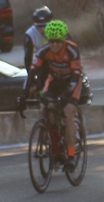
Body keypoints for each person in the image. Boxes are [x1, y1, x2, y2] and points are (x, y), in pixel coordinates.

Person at [25, 19, 89, 164]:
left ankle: (71, 154)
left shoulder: (72, 50)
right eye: (51, 41)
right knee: (47, 107)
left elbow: (76, 75)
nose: (54, 45)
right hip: (54, 81)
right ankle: (56, 138)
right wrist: (24, 93)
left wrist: (67, 93)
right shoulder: (44, 51)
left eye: (58, 42)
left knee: (68, 114)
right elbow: (33, 72)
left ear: (64, 39)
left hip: (72, 82)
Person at [22, 6, 53, 91]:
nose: (42, 29)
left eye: (45, 26)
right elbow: (28, 58)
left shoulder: (57, 29)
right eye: (39, 27)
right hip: (41, 61)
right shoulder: (30, 34)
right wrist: (31, 79)